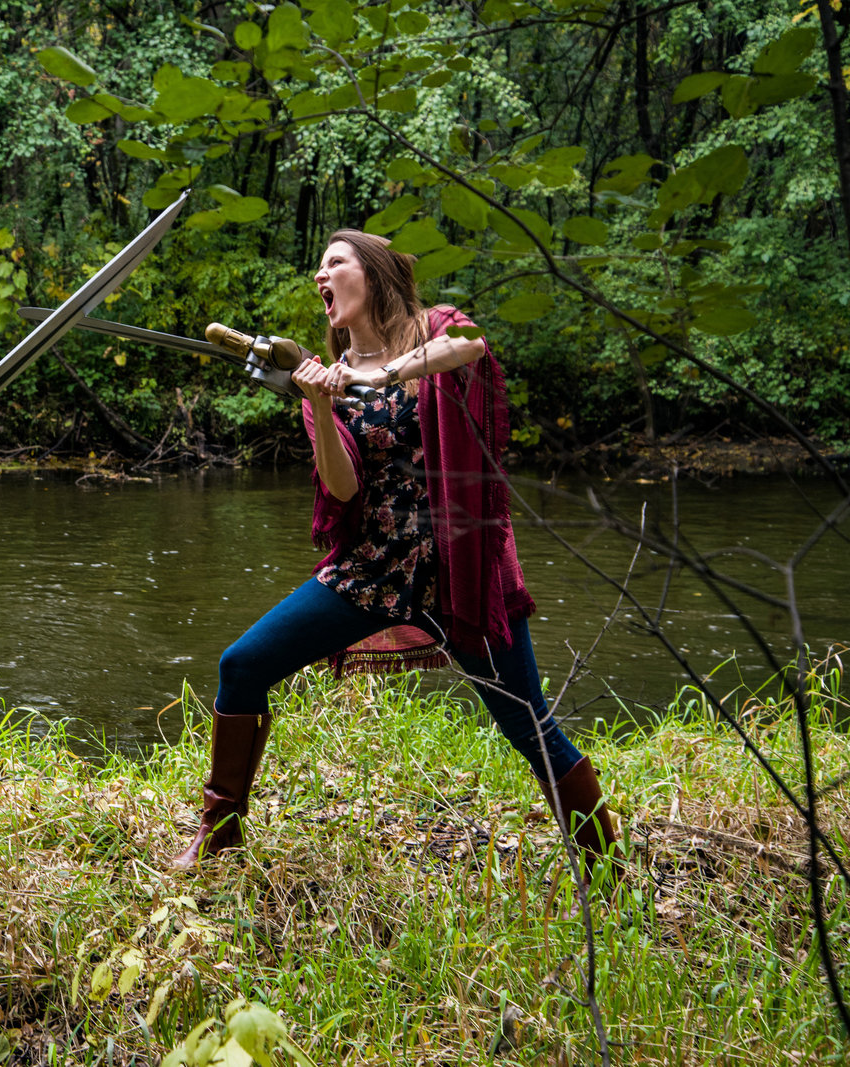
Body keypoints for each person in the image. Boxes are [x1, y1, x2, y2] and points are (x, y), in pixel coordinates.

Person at [169, 229, 620, 882]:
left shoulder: (429, 332)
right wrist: (321, 405)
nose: (319, 277)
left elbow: (472, 347)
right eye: (316, 270)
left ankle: (605, 868)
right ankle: (220, 837)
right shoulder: (324, 376)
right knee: (241, 664)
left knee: (531, 729)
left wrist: (379, 373)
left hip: (460, 575)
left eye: (334, 263)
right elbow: (343, 486)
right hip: (372, 573)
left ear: (373, 272)